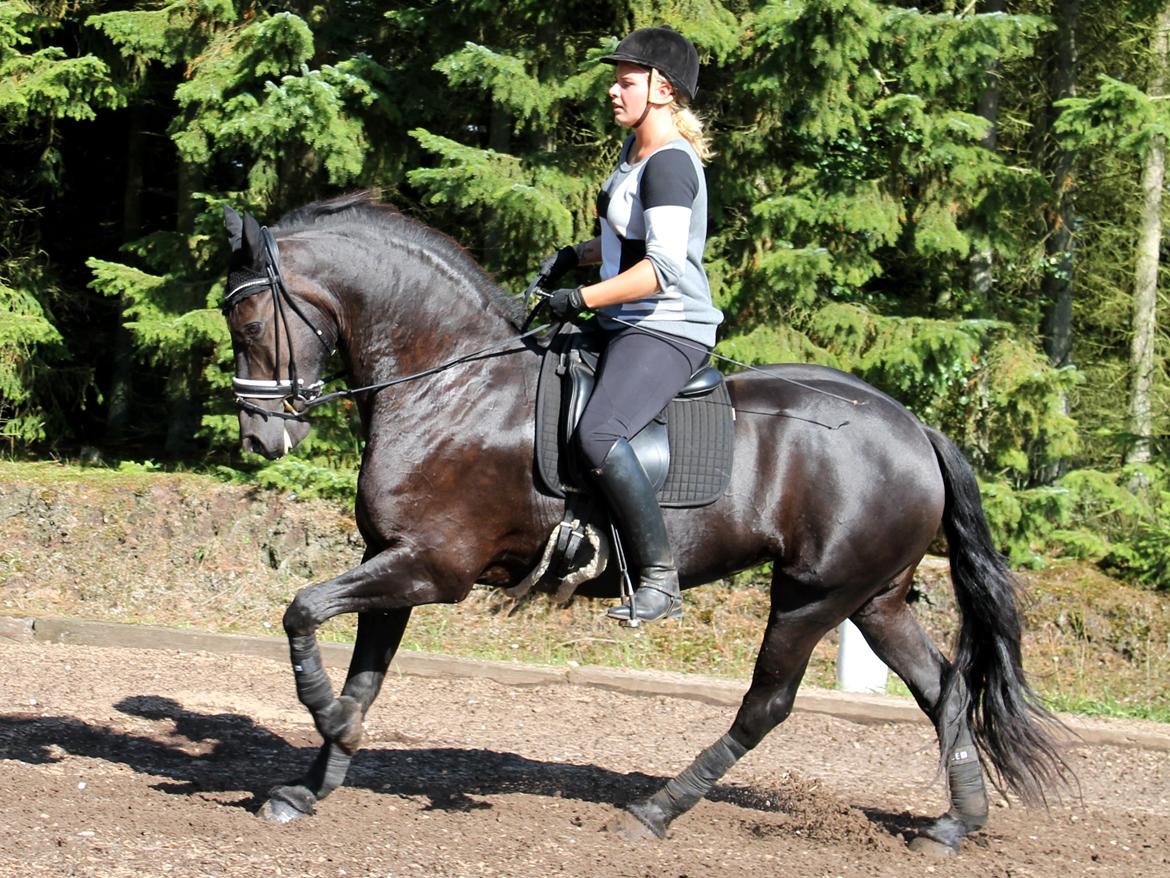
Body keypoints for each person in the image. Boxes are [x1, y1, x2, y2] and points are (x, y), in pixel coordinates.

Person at [539, 26, 723, 623]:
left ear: (663, 90)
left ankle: (659, 578)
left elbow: (664, 267)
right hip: (626, 317)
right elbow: (628, 241)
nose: (613, 94)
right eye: (614, 83)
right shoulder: (633, 153)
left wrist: (583, 297)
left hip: (668, 325)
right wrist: (576, 255)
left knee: (600, 433)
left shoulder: (670, 164)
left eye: (625, 83)